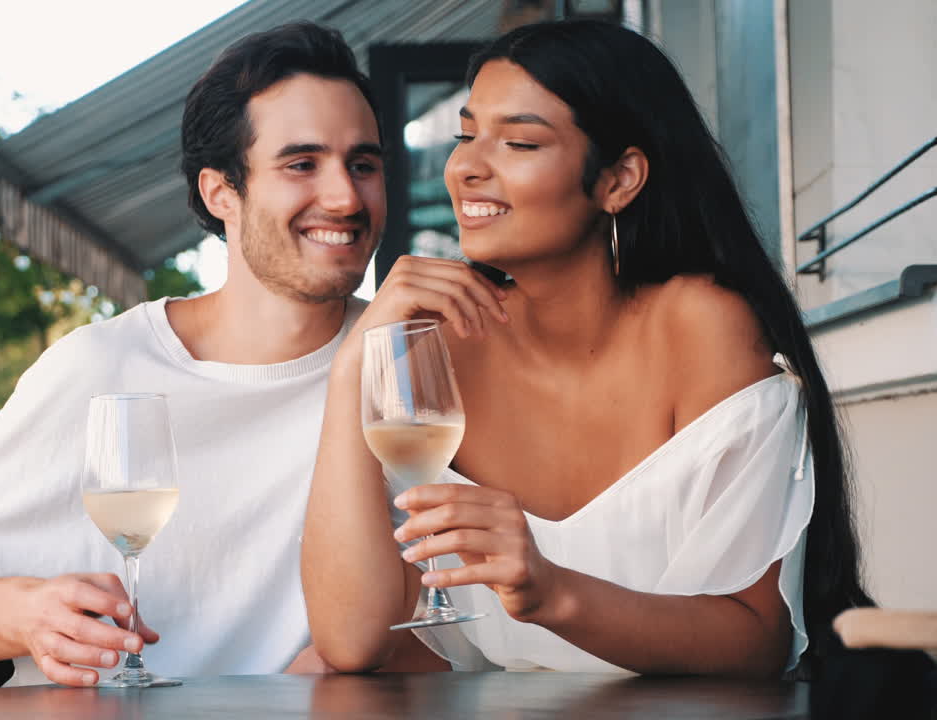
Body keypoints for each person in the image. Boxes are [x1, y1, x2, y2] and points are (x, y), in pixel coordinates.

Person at [0, 22, 439, 694]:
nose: (344, 196)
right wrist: (25, 614)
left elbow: (449, 631)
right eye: (301, 164)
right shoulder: (104, 367)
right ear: (221, 192)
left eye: (363, 164)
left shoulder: (410, 368)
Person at [302, 19, 872, 679]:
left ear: (619, 179)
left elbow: (756, 642)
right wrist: (353, 368)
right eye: (465, 135)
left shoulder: (702, 327)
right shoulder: (444, 348)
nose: (467, 168)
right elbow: (351, 642)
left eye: (517, 141)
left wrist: (551, 591)